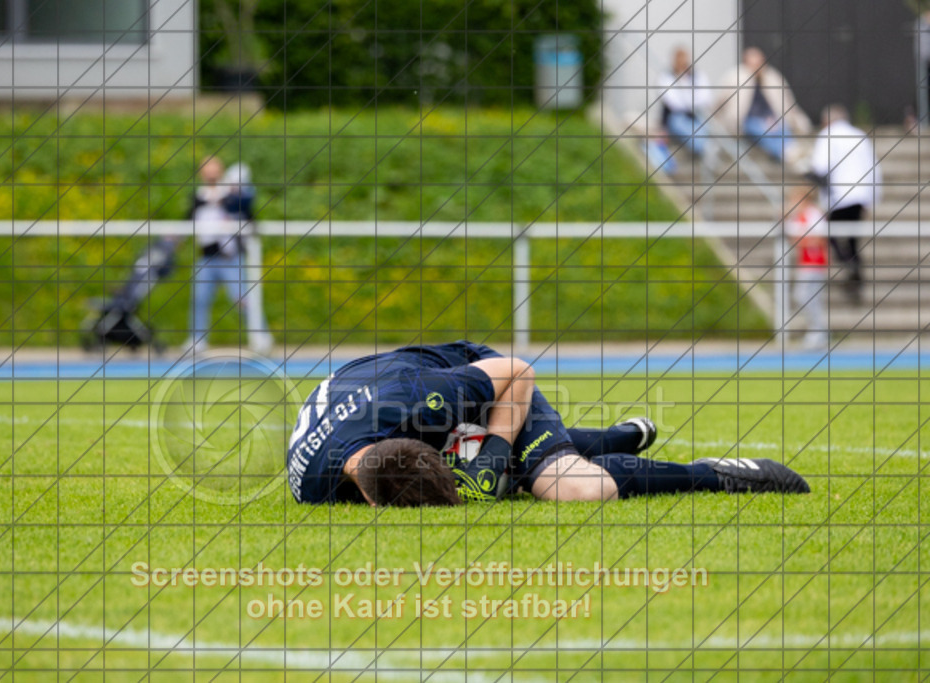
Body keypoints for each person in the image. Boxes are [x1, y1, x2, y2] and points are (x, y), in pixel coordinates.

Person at [286, 341, 810, 506]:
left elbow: (517, 372)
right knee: (515, 470)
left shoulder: (423, 402)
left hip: (493, 380)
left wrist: (490, 452)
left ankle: (717, 473)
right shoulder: (312, 486)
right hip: (411, 413)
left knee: (569, 486)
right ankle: (616, 437)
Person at [185, 156, 273, 353]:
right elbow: (189, 217)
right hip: (206, 258)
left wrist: (225, 198)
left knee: (243, 298)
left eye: (214, 168)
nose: (211, 172)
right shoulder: (199, 195)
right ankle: (197, 339)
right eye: (207, 169)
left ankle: (260, 335)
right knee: (200, 298)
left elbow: (247, 207)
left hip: (231, 258)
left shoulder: (234, 192)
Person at [807, 104, 881, 305]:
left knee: (828, 232)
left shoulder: (828, 135)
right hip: (860, 197)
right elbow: (874, 168)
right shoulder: (859, 135)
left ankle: (848, 265)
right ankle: (854, 269)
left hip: (839, 196)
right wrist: (872, 199)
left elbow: (819, 167)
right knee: (852, 240)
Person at [715, 47, 811, 162]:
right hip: (746, 121)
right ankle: (787, 153)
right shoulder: (734, 77)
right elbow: (719, 102)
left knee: (781, 127)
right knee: (762, 130)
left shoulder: (772, 77)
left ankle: (790, 150)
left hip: (770, 117)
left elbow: (786, 102)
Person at [786, 184, 830, 349]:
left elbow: (818, 238)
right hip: (804, 262)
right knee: (803, 296)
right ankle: (817, 331)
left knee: (808, 296)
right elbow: (794, 238)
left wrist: (803, 239)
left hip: (815, 262)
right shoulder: (798, 216)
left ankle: (818, 332)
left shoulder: (813, 214)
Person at [657, 47, 712, 161]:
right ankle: (703, 149)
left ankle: (704, 149)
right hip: (675, 117)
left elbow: (706, 97)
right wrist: (683, 83)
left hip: (694, 116)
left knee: (703, 125)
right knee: (683, 126)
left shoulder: (696, 76)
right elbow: (675, 104)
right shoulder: (666, 77)